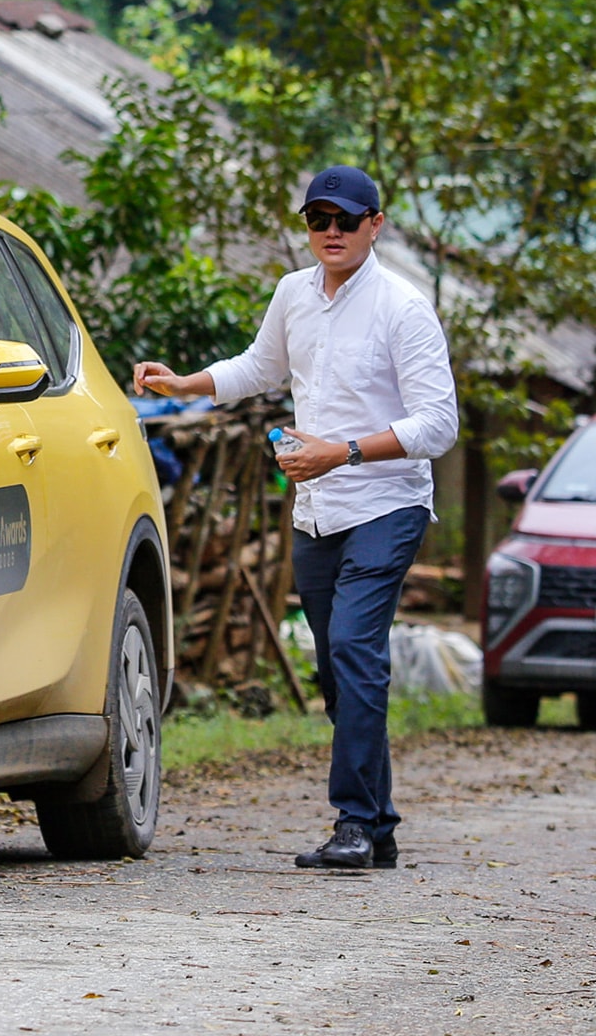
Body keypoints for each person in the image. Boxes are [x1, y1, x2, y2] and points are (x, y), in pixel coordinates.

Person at [132, 165, 460, 870]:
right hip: (317, 509)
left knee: (353, 650)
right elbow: (260, 366)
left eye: (346, 220)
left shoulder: (404, 308)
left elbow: (439, 424)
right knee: (339, 672)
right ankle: (379, 824)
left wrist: (343, 451)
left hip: (387, 503)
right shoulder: (293, 294)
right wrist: (186, 383)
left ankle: (353, 822)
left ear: (376, 224)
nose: (331, 232)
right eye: (319, 220)